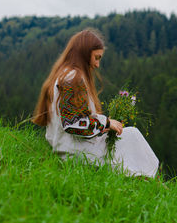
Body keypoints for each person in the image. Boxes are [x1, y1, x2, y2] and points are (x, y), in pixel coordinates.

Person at [32, 28, 159, 178]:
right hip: (74, 151)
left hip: (71, 145)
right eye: (96, 58)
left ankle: (146, 178)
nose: (97, 64)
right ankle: (148, 179)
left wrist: (102, 128)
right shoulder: (72, 79)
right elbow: (72, 124)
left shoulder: (67, 74)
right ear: (85, 54)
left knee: (131, 135)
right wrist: (105, 123)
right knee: (132, 137)